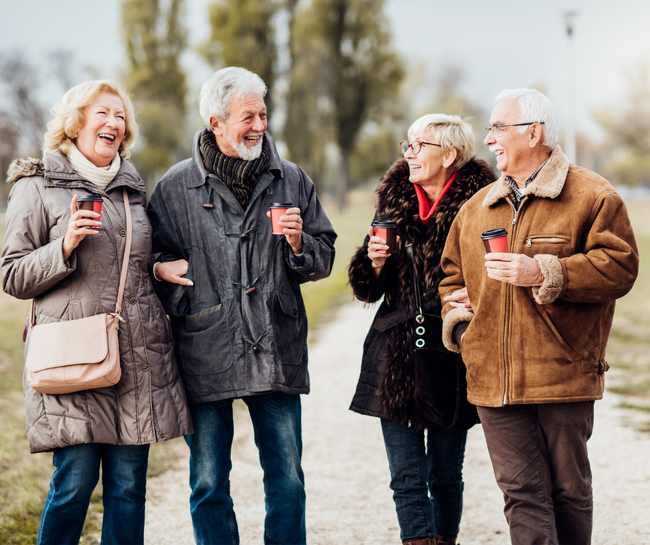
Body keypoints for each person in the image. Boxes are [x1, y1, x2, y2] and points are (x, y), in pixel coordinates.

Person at [439, 89, 639, 545]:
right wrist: (465, 326)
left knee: (568, 491)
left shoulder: (593, 195)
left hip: (562, 374)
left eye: (497, 128)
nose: (488, 138)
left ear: (535, 132)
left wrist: (545, 272)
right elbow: (450, 279)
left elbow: (621, 267)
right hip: (493, 381)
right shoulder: (476, 210)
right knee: (522, 493)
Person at [147, 66, 336, 545]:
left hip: (275, 344)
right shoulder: (173, 188)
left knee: (288, 477)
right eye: (247, 116)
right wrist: (165, 275)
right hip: (206, 348)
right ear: (215, 123)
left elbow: (324, 254)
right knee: (209, 481)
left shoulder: (290, 179)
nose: (259, 125)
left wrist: (299, 245)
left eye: (263, 114)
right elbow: (154, 261)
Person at [1, 80, 192, 545]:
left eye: (120, 115)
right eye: (102, 112)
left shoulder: (131, 189)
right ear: (77, 121)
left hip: (134, 357)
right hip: (74, 358)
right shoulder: (36, 186)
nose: (114, 122)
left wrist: (158, 269)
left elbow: (128, 262)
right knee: (75, 485)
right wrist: (63, 246)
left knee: (128, 488)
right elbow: (10, 274)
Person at [348, 114, 496, 545]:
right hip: (395, 351)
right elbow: (367, 288)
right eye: (407, 145)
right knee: (406, 477)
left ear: (449, 155)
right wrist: (373, 262)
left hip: (452, 352)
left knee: (446, 475)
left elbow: (496, 272)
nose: (409, 153)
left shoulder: (482, 202)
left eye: (419, 145)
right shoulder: (393, 199)